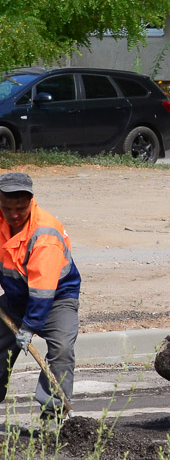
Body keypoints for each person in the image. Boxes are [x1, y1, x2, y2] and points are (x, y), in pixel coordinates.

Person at [0, 171, 80, 419]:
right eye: (6, 208)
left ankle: (53, 412)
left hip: (57, 299)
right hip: (15, 299)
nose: (13, 215)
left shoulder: (45, 233)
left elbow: (43, 292)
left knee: (62, 350)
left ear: (31, 202)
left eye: (20, 209)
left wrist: (29, 327)